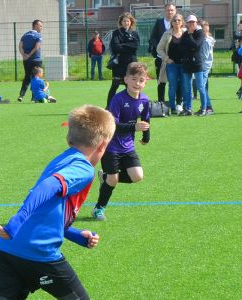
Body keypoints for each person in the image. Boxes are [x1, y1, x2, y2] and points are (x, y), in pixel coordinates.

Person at [0, 104, 115, 299]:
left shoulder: (61, 159)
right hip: (39, 254)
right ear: (102, 145)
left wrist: (76, 235)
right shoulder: (84, 168)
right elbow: (48, 187)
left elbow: (45, 208)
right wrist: (17, 221)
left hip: (6, 251)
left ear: (69, 137)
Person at [92, 62, 150, 221]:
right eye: (133, 79)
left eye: (141, 80)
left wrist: (146, 138)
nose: (137, 83)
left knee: (137, 176)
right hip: (110, 146)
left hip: (128, 146)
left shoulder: (144, 100)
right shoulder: (118, 99)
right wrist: (134, 127)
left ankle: (105, 178)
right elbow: (114, 125)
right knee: (113, 179)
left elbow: (146, 121)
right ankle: (99, 209)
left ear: (146, 82)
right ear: (125, 79)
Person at [106, 12, 139, 109]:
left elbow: (135, 46)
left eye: (128, 21)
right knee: (114, 86)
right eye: (124, 21)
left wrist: (123, 45)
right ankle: (109, 106)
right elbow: (115, 47)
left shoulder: (134, 33)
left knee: (130, 86)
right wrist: (128, 46)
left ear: (131, 22)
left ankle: (132, 106)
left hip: (131, 64)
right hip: (119, 64)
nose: (126, 23)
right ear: (121, 22)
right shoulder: (116, 33)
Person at [156, 13, 185, 114]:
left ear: (182, 22)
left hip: (184, 65)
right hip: (171, 65)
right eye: (175, 20)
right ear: (171, 23)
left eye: (179, 20)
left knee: (182, 85)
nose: (177, 22)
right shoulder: (167, 34)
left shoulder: (186, 33)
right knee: (172, 85)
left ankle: (180, 105)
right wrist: (166, 59)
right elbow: (159, 49)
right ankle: (172, 107)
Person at [149, 3, 177, 103]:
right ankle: (161, 102)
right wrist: (159, 49)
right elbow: (152, 38)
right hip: (161, 58)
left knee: (175, 82)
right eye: (168, 10)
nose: (170, 12)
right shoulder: (159, 23)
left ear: (175, 11)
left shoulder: (179, 23)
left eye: (172, 10)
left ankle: (174, 103)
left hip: (174, 59)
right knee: (161, 82)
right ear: (165, 11)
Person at [180, 15, 206, 116]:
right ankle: (188, 109)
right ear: (187, 23)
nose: (191, 24)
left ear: (196, 23)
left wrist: (190, 36)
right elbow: (182, 47)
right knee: (187, 87)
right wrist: (191, 46)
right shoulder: (184, 34)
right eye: (189, 22)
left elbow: (196, 45)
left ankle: (203, 108)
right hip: (187, 63)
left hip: (197, 63)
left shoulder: (200, 33)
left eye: (193, 22)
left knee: (200, 86)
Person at [17, 20, 43, 102]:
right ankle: (34, 97)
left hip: (26, 61)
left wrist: (24, 55)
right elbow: (37, 47)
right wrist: (30, 54)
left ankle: (21, 95)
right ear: (35, 26)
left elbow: (20, 46)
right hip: (36, 59)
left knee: (27, 77)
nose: (41, 28)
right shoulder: (38, 35)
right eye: (40, 26)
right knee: (36, 78)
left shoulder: (25, 35)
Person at [200, 20, 215, 115]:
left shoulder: (205, 41)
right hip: (205, 65)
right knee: (203, 86)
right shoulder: (207, 39)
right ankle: (204, 106)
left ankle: (208, 107)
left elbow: (204, 56)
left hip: (203, 66)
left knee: (201, 87)